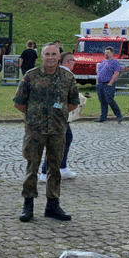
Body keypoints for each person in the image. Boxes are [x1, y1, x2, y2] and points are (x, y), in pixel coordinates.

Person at [14, 43, 79, 223]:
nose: (50, 57)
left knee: (54, 168)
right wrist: (36, 116)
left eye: (54, 54)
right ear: (42, 56)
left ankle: (53, 204)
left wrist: (57, 114)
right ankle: (28, 205)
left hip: (58, 130)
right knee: (32, 167)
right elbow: (19, 102)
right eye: (47, 54)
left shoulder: (67, 77)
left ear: (59, 56)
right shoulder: (31, 76)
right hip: (35, 131)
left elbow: (72, 103)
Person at [40, 52, 85, 180]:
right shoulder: (66, 75)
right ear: (68, 61)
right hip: (57, 114)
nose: (75, 62)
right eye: (73, 60)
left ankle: (62, 167)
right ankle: (46, 171)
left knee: (66, 138)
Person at [95, 46, 123, 123]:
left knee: (109, 100)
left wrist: (110, 83)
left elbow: (116, 73)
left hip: (108, 84)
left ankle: (119, 115)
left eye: (108, 52)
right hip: (100, 84)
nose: (106, 54)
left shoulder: (114, 62)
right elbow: (98, 73)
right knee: (102, 101)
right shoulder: (102, 62)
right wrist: (97, 82)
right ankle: (103, 117)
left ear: (112, 53)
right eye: (105, 52)